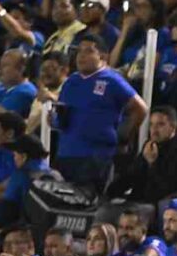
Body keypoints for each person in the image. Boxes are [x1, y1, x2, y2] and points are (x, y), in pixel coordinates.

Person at [53, 33, 147, 190]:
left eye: (88, 51)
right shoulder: (71, 82)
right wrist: (54, 120)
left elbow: (140, 109)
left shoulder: (112, 80)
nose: (81, 56)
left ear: (103, 56)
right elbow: (64, 114)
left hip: (95, 156)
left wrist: (124, 137)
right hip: (66, 153)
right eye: (79, 51)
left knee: (87, 206)